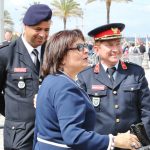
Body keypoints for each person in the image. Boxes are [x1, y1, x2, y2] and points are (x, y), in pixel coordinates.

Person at [33, 29, 141, 150]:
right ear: (62, 56)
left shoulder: (51, 80)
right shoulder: (65, 87)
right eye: (79, 47)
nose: (86, 50)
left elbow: (38, 132)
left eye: (85, 46)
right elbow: (73, 136)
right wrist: (113, 140)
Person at [77, 23, 150, 149]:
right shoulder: (85, 77)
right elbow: (81, 116)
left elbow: (146, 111)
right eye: (110, 45)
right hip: (101, 145)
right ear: (96, 49)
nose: (115, 49)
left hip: (132, 145)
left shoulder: (136, 73)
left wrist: (140, 140)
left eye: (118, 44)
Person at [0, 4, 52, 150]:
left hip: (48, 133)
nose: (42, 34)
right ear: (25, 26)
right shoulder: (6, 54)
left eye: (47, 30)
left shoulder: (52, 53)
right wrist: (14, 115)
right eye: (37, 29)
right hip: (19, 136)